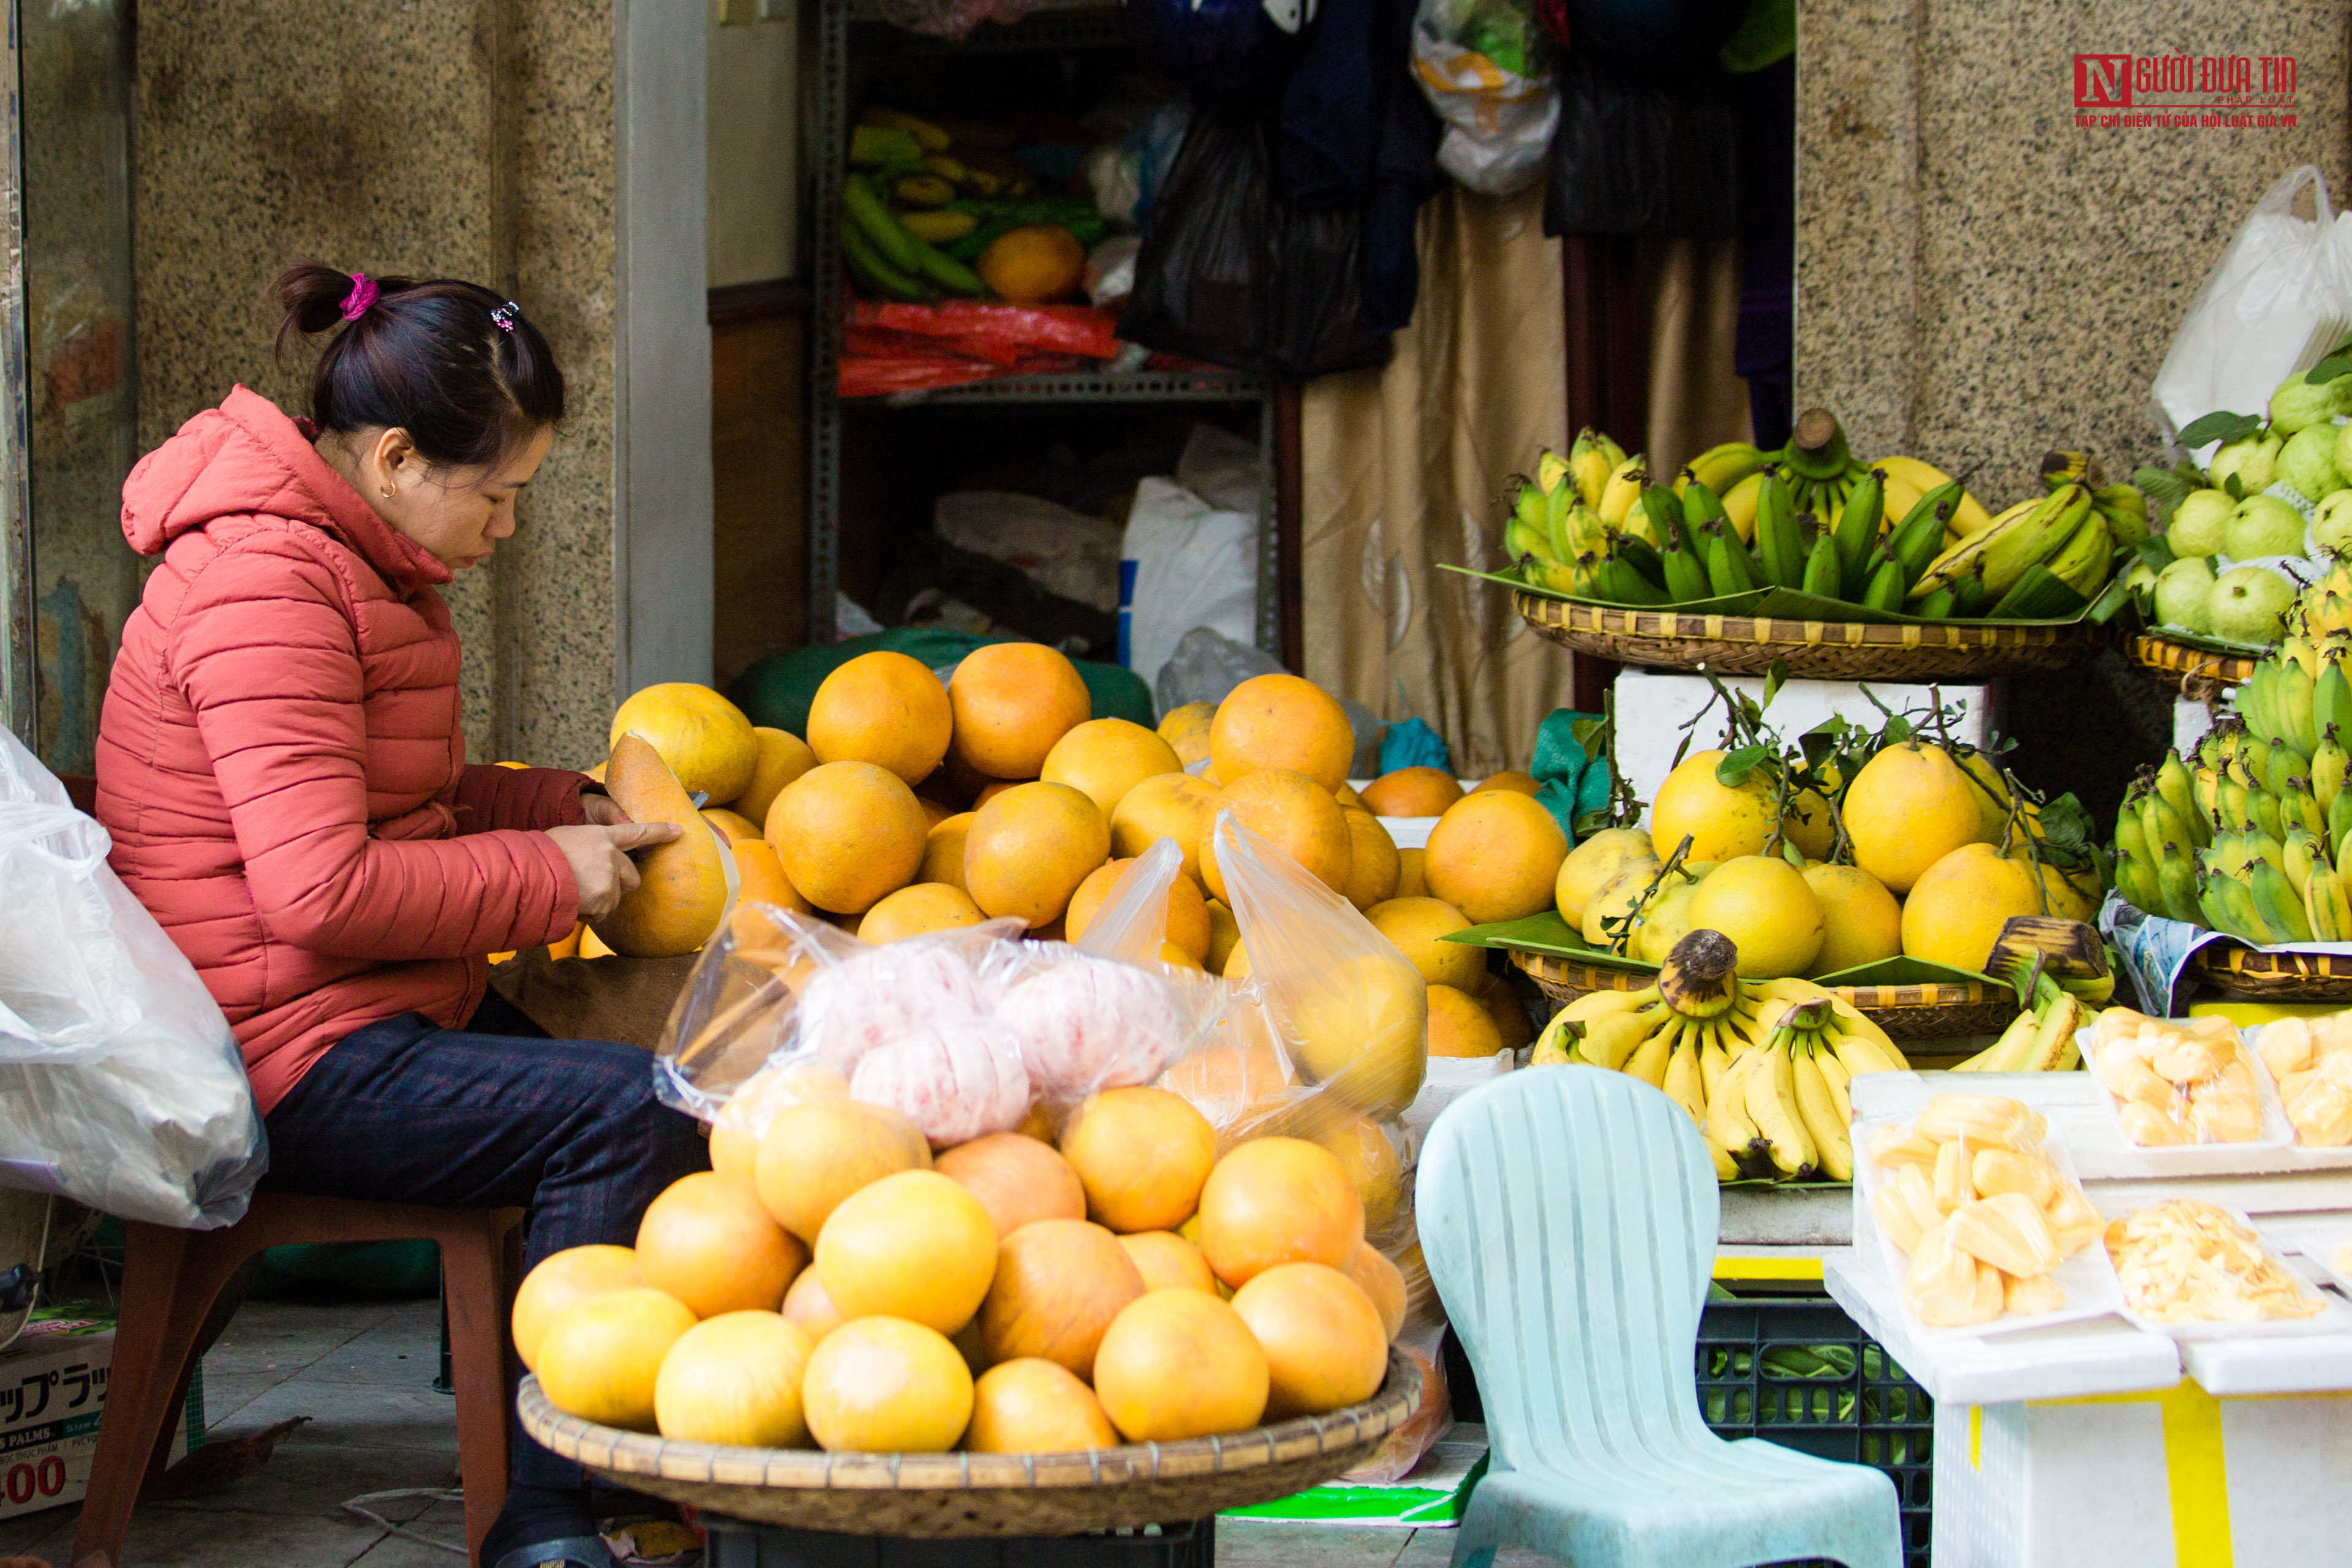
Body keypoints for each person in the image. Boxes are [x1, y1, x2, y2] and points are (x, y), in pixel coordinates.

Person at [96, 263, 708, 1568]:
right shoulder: (268, 586)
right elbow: (318, 889)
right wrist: (553, 872)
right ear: (391, 456)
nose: (506, 524)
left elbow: (397, 798)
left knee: (688, 1106)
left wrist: (566, 800)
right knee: (624, 1113)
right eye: (496, 492)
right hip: (273, 1049)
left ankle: (617, 1452)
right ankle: (547, 1519)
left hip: (356, 1008)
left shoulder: (347, 561)